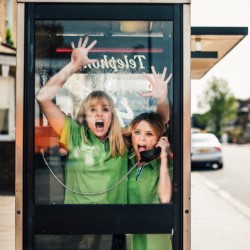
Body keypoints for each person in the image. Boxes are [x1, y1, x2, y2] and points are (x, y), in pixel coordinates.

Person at [123, 112, 173, 250]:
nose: (142, 139)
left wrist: (163, 158)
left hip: (154, 238)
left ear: (160, 139)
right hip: (129, 235)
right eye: (137, 132)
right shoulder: (125, 162)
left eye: (149, 134)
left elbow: (164, 198)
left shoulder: (166, 167)